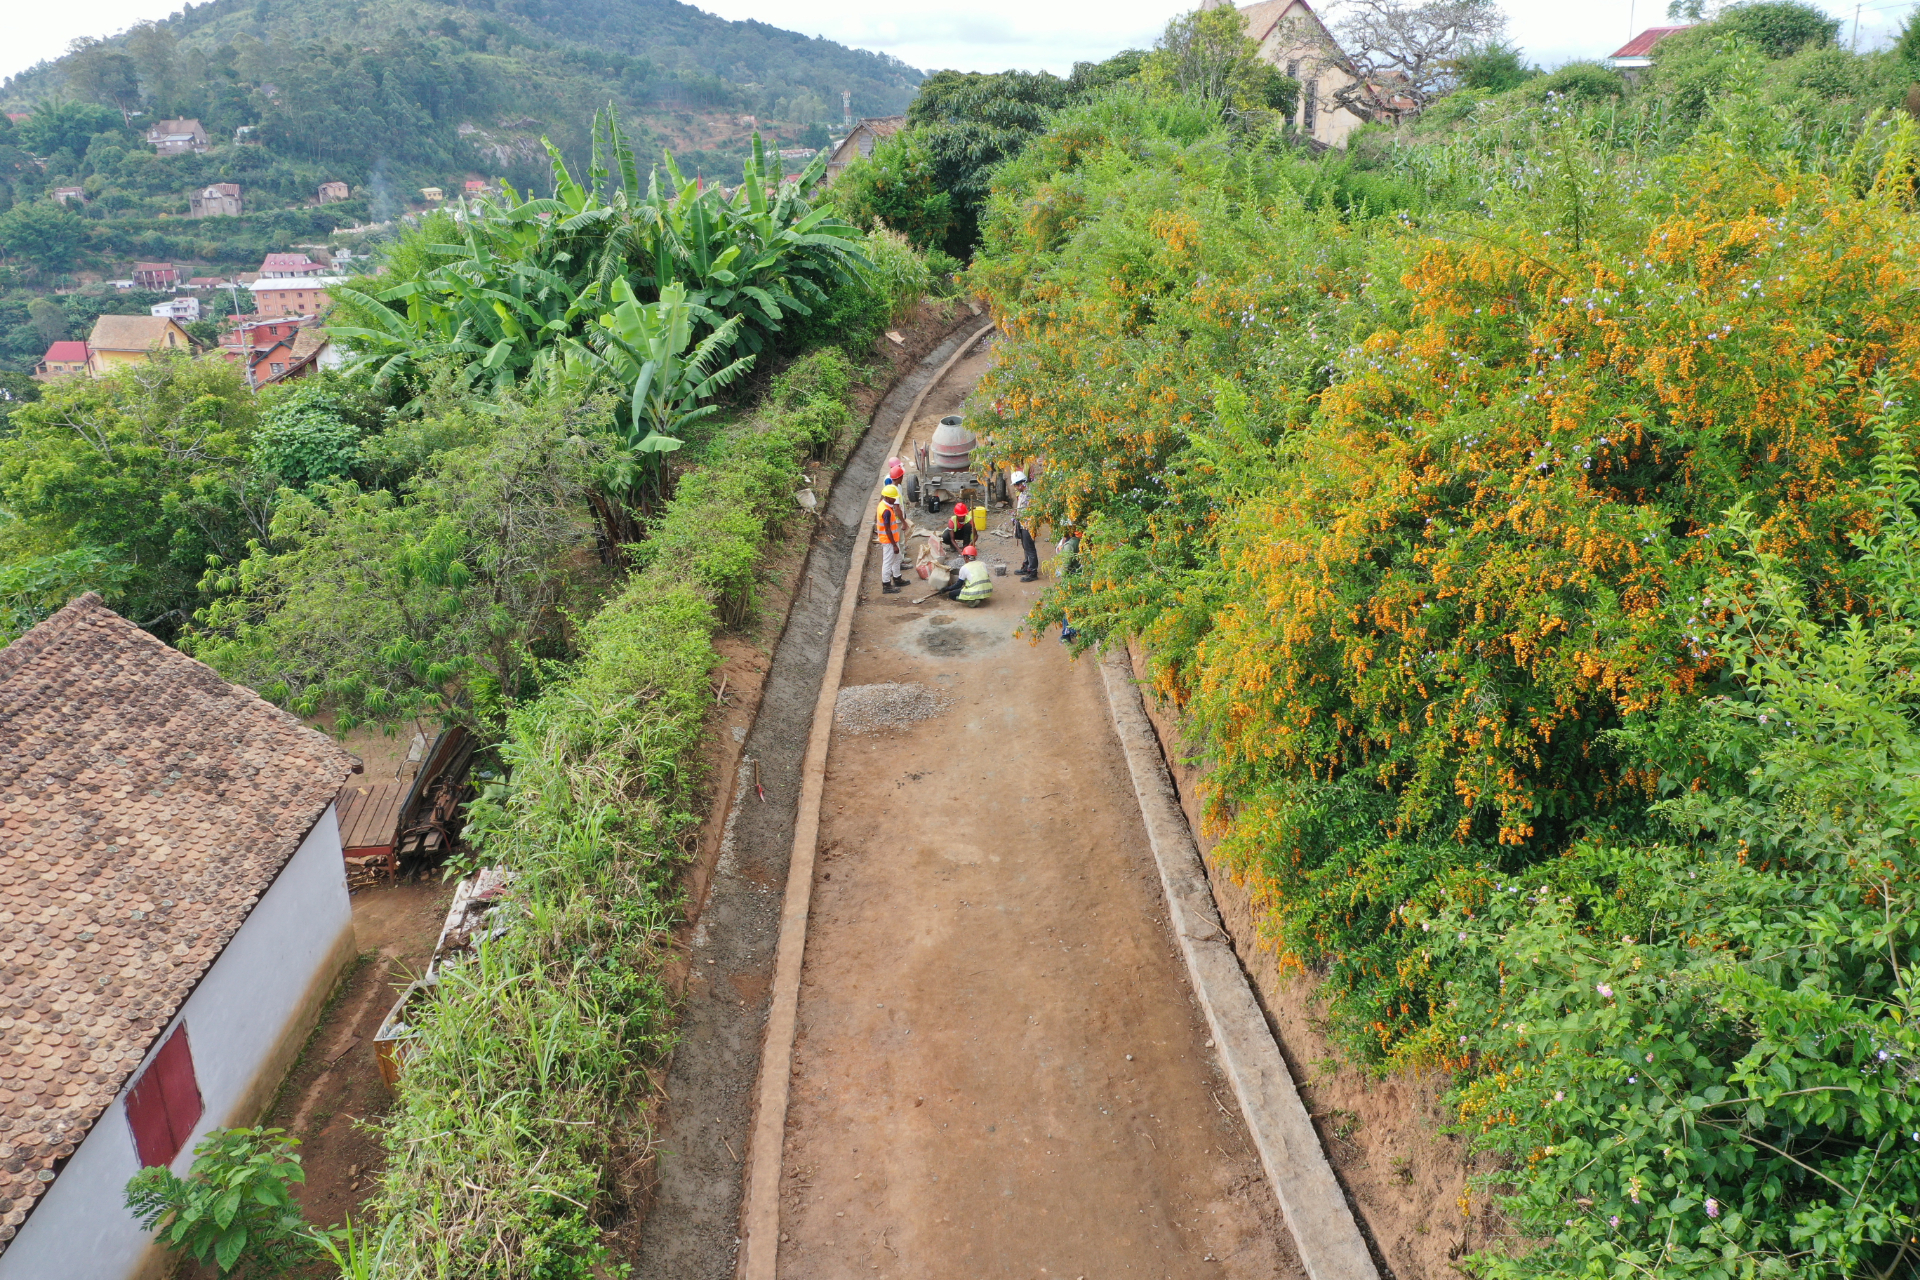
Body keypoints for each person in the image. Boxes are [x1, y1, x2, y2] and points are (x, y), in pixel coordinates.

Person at [875, 484, 908, 594]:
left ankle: (897, 578)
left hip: (892, 540)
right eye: (893, 498)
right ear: (888, 497)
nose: (895, 499)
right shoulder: (887, 511)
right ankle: (886, 585)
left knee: (897, 559)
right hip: (889, 541)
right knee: (888, 562)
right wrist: (894, 545)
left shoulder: (882, 505)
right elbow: (888, 529)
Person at [1010, 470, 1038, 581]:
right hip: (1022, 524)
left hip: (1028, 525)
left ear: (1022, 483)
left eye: (1017, 485)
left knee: (1030, 548)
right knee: (1025, 547)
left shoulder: (1030, 494)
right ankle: (1027, 567)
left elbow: (1030, 511)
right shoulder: (1022, 494)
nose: (1016, 487)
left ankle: (1033, 572)